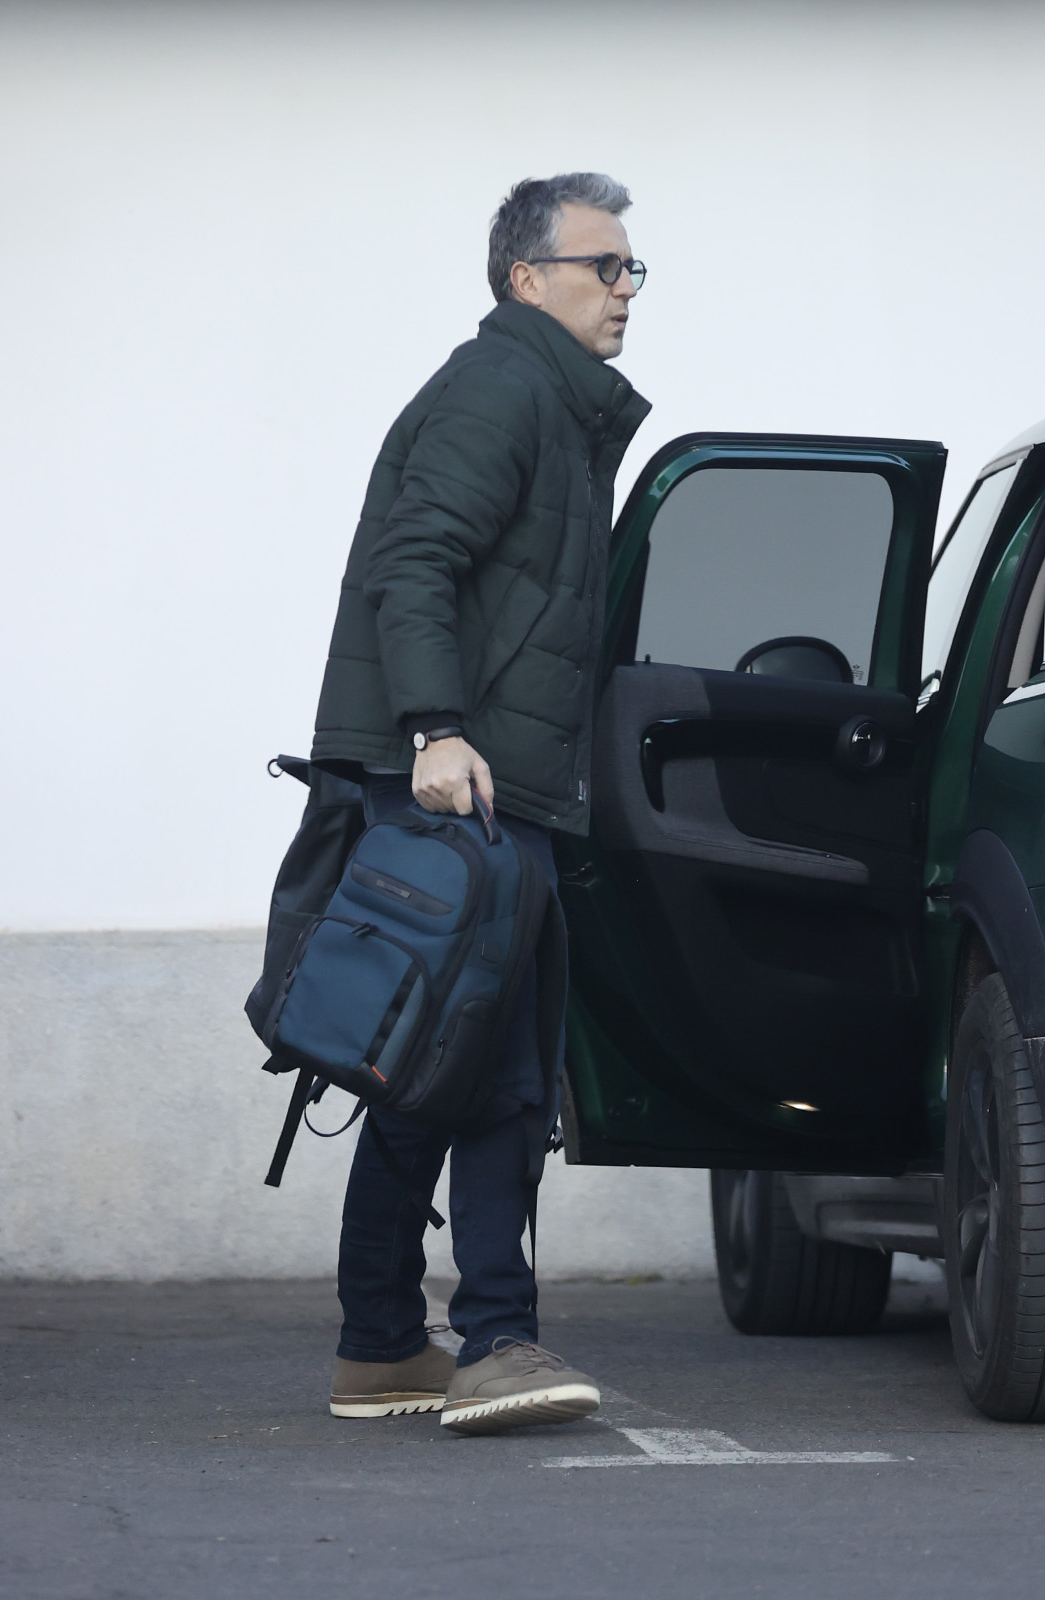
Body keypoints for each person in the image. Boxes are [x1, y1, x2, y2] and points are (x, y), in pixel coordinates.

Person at [311, 173, 650, 1434]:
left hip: (502, 784)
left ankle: (381, 1344)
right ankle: (496, 1338)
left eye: (631, 269)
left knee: (430, 1066)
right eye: (604, 266)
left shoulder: (550, 404)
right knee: (495, 1070)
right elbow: (415, 559)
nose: (626, 289)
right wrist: (434, 728)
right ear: (527, 277)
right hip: (463, 783)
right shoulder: (502, 388)